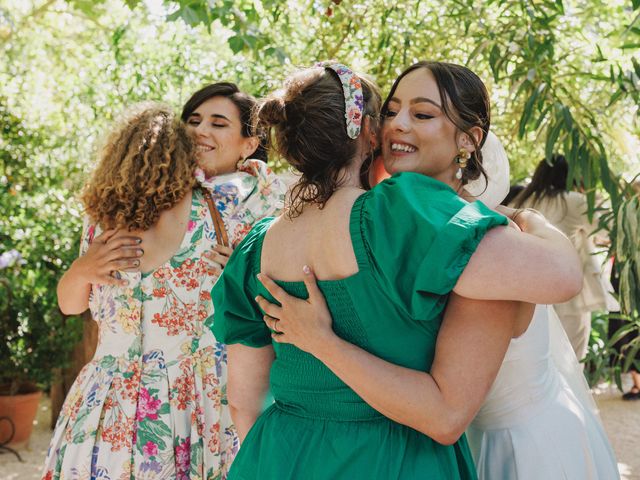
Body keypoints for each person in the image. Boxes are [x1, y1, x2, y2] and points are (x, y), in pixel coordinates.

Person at [209, 62, 584, 479]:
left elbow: (244, 399)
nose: (397, 125)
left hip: (279, 455)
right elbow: (563, 277)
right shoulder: (398, 214)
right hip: (393, 458)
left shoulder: (255, 248)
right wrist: (530, 221)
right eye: (388, 113)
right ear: (368, 131)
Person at [43, 86, 286, 480]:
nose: (200, 131)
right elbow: (71, 305)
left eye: (217, 123)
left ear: (249, 144)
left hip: (198, 399)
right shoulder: (111, 212)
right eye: (192, 121)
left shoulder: (247, 212)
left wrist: (242, 279)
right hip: (108, 399)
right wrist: (82, 269)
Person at [513, 154, 610, 361]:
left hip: (528, 295)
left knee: (539, 360)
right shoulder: (574, 201)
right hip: (569, 294)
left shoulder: (520, 201)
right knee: (573, 360)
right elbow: (608, 231)